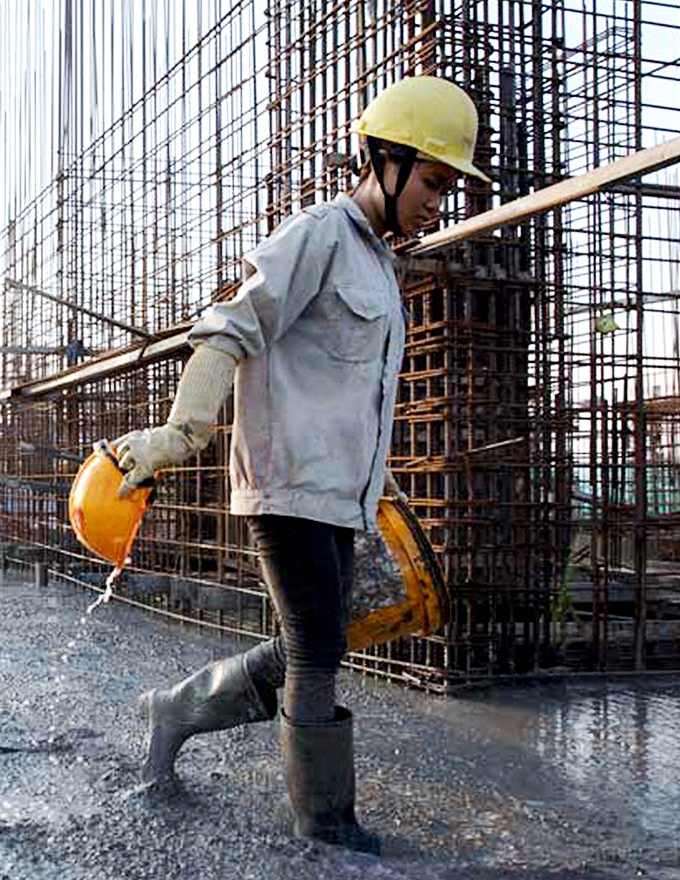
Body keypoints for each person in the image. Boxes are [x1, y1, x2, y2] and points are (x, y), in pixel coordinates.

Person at [108, 76, 489, 852]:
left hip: (337, 497)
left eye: (447, 187)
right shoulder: (318, 235)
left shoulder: (380, 267)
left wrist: (379, 500)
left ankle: (175, 709)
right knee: (317, 647)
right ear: (384, 160)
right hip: (285, 488)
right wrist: (181, 435)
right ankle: (325, 827)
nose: (437, 202)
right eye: (433, 180)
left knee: (312, 639)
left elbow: (355, 399)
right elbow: (227, 329)